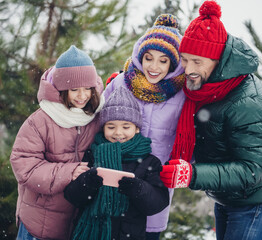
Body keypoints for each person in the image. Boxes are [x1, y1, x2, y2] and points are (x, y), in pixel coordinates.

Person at [159, 1, 262, 240]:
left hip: (255, 199)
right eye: (185, 59)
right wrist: (123, 84)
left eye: (197, 62)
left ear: (218, 60)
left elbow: (252, 171)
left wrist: (192, 175)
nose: (187, 69)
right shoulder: (205, 85)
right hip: (226, 192)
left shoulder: (248, 103)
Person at [103, 14, 185, 239]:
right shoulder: (121, 82)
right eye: (149, 58)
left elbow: (189, 142)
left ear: (173, 63)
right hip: (113, 181)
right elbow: (97, 122)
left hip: (152, 188)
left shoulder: (182, 95)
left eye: (163, 60)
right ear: (140, 56)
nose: (154, 66)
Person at [10, 45, 105, 240]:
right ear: (61, 89)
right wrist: (68, 172)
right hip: (39, 224)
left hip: (77, 223)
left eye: (88, 88)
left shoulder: (96, 117)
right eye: (74, 89)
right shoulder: (41, 120)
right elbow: (24, 166)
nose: (82, 96)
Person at [63, 87, 169, 240]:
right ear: (103, 128)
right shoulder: (93, 154)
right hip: (91, 234)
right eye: (111, 127)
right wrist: (87, 183)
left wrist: (138, 188)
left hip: (128, 235)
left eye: (126, 127)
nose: (118, 133)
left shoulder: (149, 161)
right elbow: (73, 197)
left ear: (137, 128)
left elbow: (158, 202)